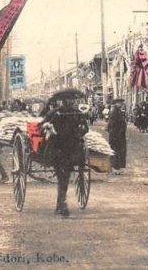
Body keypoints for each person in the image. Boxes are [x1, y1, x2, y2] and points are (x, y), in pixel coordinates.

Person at [42, 89, 89, 217]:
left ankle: (61, 204)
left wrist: (79, 133)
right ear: (63, 101)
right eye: (67, 100)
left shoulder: (76, 113)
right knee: (63, 176)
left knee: (64, 176)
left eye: (71, 100)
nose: (70, 102)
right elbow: (43, 125)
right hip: (58, 147)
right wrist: (48, 128)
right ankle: (61, 204)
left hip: (70, 146)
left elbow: (85, 128)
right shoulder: (56, 113)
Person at [107, 98, 127, 174]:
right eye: (120, 103)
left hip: (118, 134)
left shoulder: (117, 110)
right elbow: (112, 124)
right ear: (116, 103)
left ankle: (117, 167)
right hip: (116, 135)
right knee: (116, 150)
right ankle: (115, 168)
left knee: (119, 151)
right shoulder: (114, 111)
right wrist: (115, 134)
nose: (121, 104)